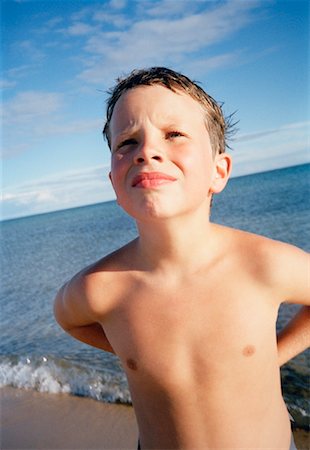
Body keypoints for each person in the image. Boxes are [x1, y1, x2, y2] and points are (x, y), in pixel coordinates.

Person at [54, 67, 309, 449]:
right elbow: (68, 320)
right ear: (113, 182)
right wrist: (131, 350)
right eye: (127, 142)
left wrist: (271, 356)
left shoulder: (263, 265)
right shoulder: (101, 288)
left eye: (174, 135)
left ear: (218, 171)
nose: (147, 152)